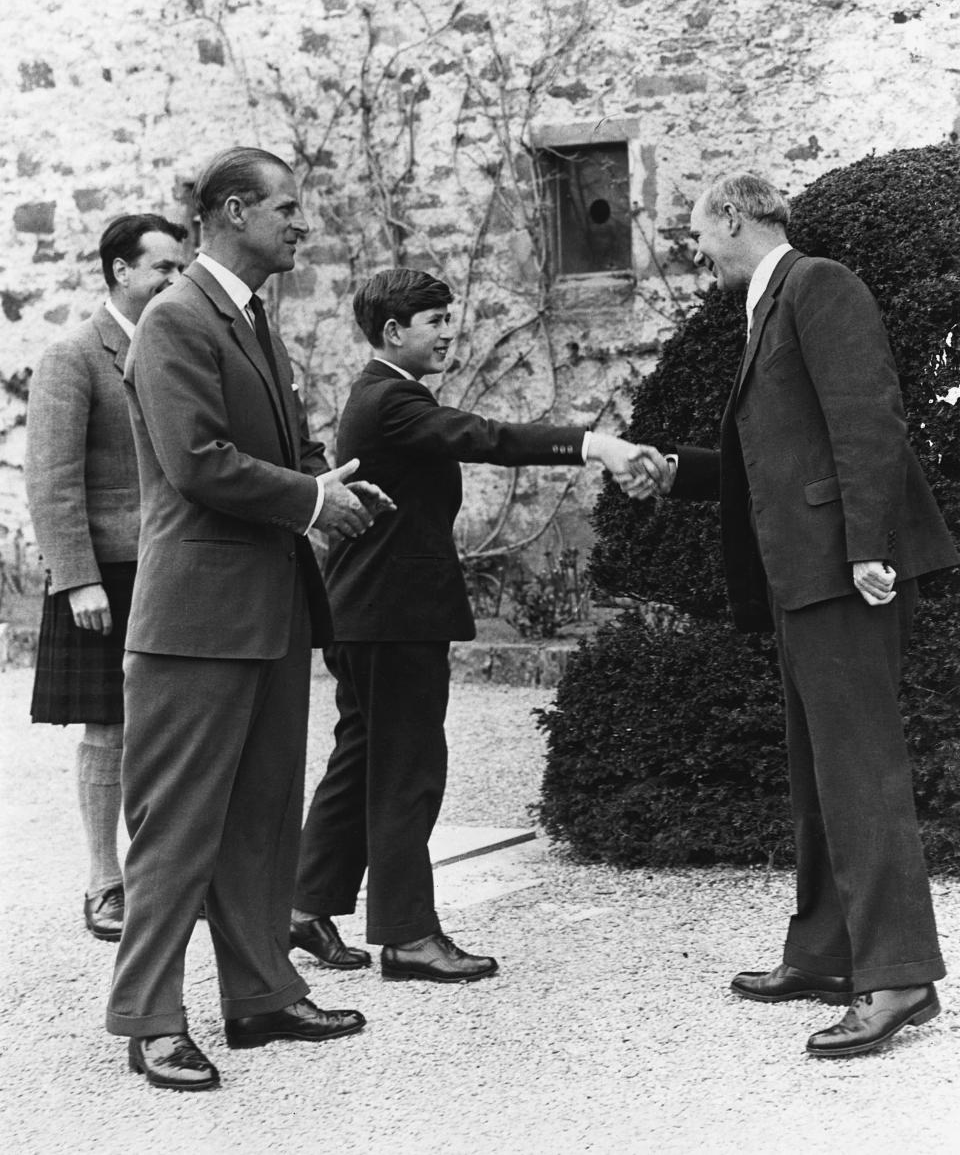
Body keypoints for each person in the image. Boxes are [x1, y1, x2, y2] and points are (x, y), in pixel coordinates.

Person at [641, 171, 957, 1057]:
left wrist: (868, 548)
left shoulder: (819, 283)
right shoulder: (768, 302)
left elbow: (869, 420)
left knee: (861, 772)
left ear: (734, 217)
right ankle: (824, 951)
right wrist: (680, 470)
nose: (697, 252)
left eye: (699, 233)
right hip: (802, 574)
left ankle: (898, 976)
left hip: (839, 572)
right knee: (822, 768)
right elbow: (775, 453)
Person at [106, 147, 394, 1092]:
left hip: (266, 612)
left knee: (265, 818)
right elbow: (197, 461)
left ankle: (263, 996)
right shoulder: (176, 320)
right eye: (286, 209)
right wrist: (312, 503)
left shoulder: (250, 319)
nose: (300, 225)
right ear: (232, 212)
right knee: (178, 825)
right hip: (196, 620)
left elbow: (279, 446)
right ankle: (150, 1019)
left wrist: (334, 481)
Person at [291, 267, 666, 983]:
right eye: (434, 322)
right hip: (391, 616)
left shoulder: (383, 396)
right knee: (408, 770)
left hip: (369, 612)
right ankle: (406, 936)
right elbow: (487, 437)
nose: (448, 334)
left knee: (365, 755)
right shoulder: (391, 400)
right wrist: (595, 445)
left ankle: (304, 905)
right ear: (393, 331)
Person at [25, 213, 187, 942]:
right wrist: (77, 578)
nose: (174, 280)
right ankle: (104, 880)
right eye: (162, 268)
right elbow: (51, 479)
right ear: (122, 271)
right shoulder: (74, 354)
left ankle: (169, 874)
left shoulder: (173, 346)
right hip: (106, 574)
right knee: (108, 726)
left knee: (175, 723)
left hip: (172, 561)